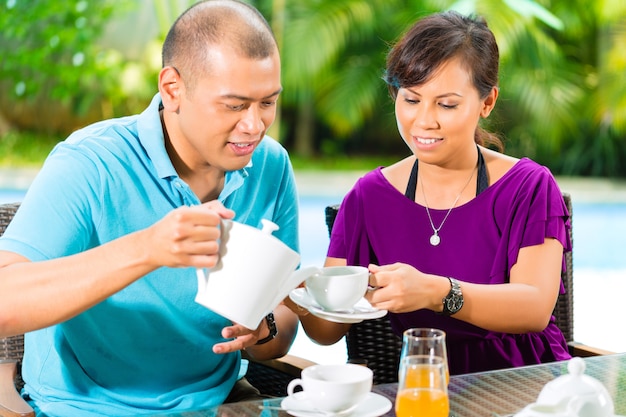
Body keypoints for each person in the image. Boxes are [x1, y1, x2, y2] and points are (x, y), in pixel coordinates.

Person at [0, 1, 301, 415]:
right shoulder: (90, 163)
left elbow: (283, 322)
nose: (254, 126)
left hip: (222, 401)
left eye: (267, 103)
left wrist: (260, 329)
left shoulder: (271, 165)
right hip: (89, 408)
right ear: (173, 88)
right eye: (234, 105)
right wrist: (148, 248)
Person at [288, 10, 572, 375]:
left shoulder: (528, 186)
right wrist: (291, 293)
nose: (424, 120)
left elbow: (533, 309)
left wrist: (437, 292)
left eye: (447, 104)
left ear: (487, 102)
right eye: (411, 99)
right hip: (423, 385)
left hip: (525, 381)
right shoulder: (368, 197)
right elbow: (327, 331)